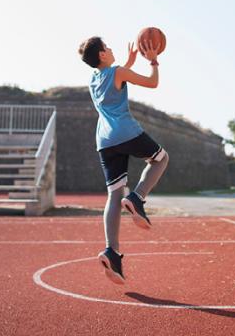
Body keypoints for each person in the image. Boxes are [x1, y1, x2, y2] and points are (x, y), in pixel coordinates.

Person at [78, 36, 169, 285]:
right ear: (101, 56)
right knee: (161, 159)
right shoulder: (118, 72)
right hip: (125, 132)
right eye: (106, 48)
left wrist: (128, 62)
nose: (110, 48)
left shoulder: (93, 79)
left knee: (114, 195)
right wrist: (154, 62)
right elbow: (152, 83)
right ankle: (138, 197)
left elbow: (114, 80)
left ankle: (112, 252)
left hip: (105, 142)